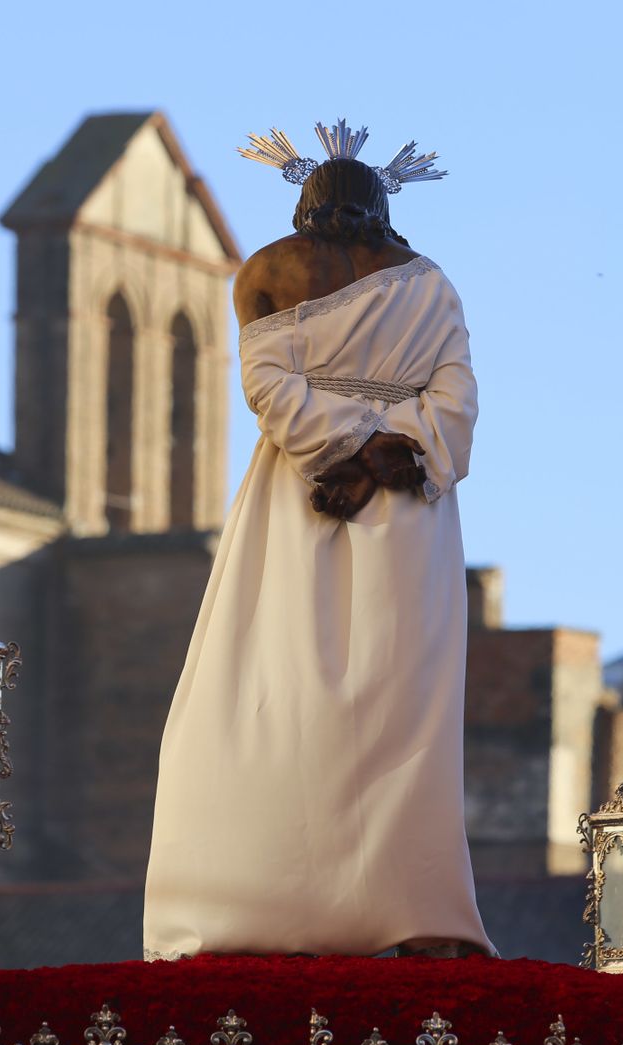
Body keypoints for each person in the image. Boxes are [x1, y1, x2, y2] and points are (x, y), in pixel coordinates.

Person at [143, 122, 493, 960]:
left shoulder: (267, 273)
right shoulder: (431, 285)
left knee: (274, 690)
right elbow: (455, 396)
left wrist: (344, 449)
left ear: (309, 203)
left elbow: (266, 384)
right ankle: (404, 912)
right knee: (396, 702)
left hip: (303, 497)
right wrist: (390, 446)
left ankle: (252, 901)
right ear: (380, 206)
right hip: (404, 507)